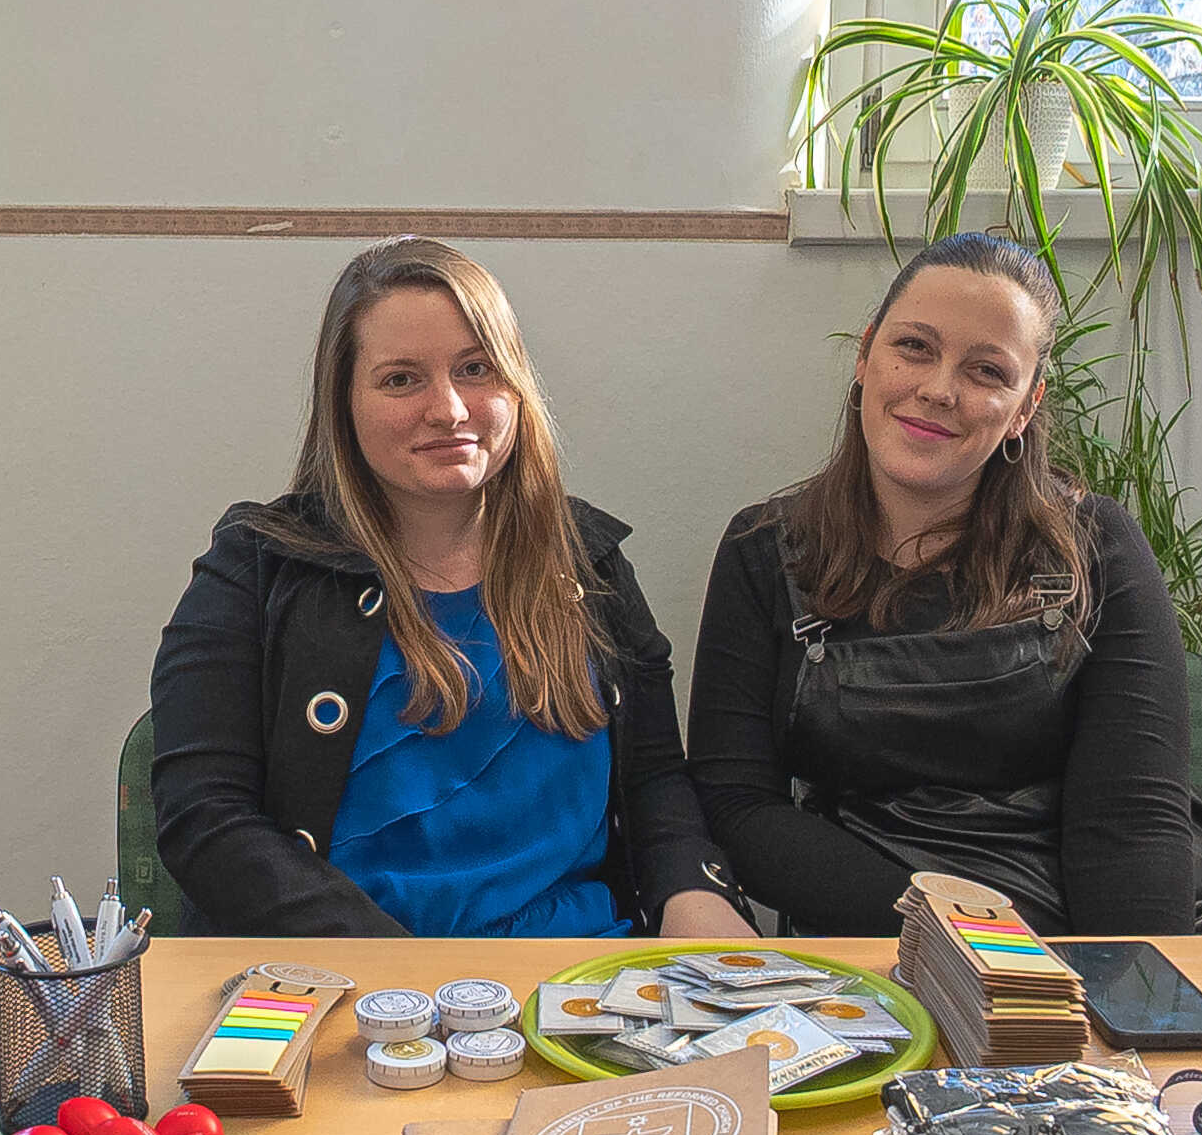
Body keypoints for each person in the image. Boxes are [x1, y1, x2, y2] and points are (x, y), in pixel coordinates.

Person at [154, 238, 753, 941]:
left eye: (475, 369)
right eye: (401, 379)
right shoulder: (256, 566)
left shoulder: (589, 561)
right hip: (345, 971)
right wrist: (401, 972)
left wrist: (699, 902)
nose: (449, 409)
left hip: (579, 973)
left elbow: (654, 784)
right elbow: (204, 817)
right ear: (343, 401)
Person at [686, 231, 1202, 936]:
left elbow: (1131, 822)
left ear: (1024, 408)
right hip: (891, 929)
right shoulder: (764, 552)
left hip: (1102, 930)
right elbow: (738, 806)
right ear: (864, 356)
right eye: (914, 347)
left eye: (986, 371)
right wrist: (957, 937)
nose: (939, 389)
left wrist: (1117, 987)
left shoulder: (1097, 546)